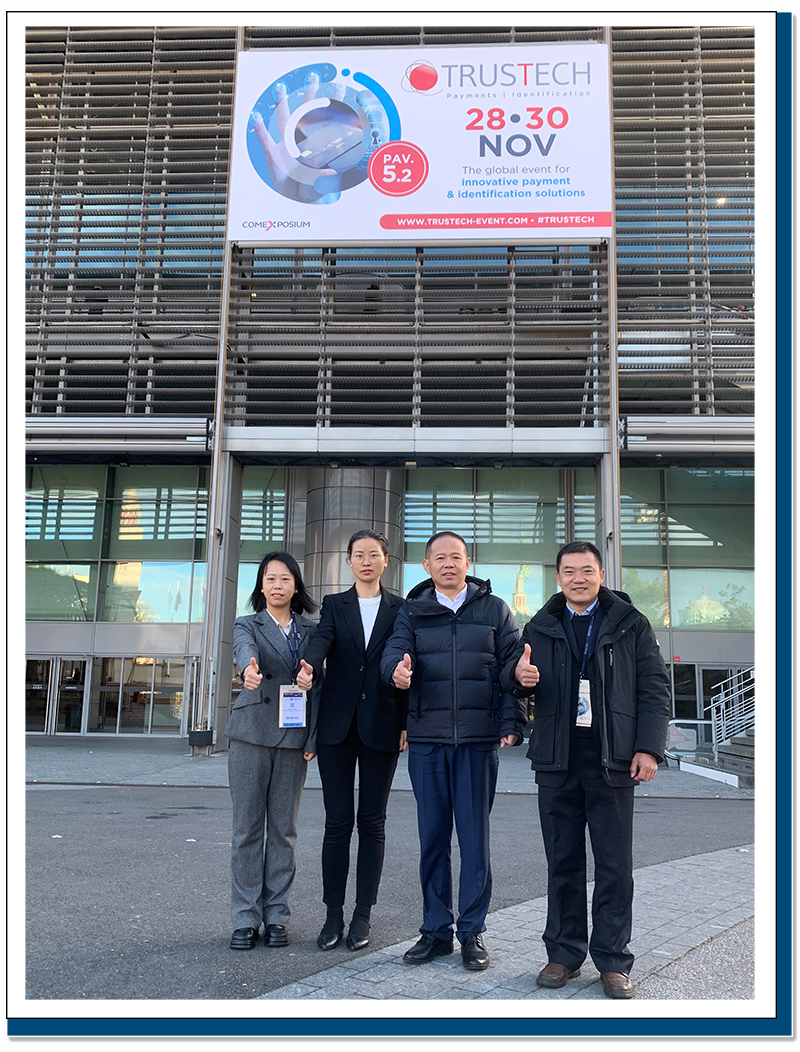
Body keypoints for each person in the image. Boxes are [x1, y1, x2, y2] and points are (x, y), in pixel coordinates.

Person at [504, 540, 670, 998]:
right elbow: (510, 677)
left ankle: (614, 961)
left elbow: (654, 689)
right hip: (558, 756)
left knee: (615, 864)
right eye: (570, 571)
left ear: (601, 573)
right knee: (563, 861)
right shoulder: (541, 624)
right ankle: (562, 954)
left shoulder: (630, 623)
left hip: (612, 757)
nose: (579, 578)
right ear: (558, 577)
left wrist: (649, 749)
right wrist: (519, 679)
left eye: (588, 570)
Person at [380, 531, 527, 971]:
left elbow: (512, 667)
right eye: (439, 558)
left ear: (468, 562)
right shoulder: (413, 610)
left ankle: (472, 932)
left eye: (456, 557)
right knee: (433, 840)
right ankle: (436, 930)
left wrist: (511, 723)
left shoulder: (495, 609)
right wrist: (396, 672)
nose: (448, 564)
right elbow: (393, 654)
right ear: (426, 566)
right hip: (427, 740)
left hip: (478, 743)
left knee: (475, 841)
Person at [296, 529, 406, 952]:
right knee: (337, 823)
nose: (366, 561)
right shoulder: (334, 605)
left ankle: (362, 915)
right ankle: (333, 915)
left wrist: (406, 721)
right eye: (358, 555)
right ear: (349, 561)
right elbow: (322, 639)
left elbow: (405, 657)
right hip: (336, 729)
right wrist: (310, 664)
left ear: (386, 560)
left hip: (382, 722)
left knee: (372, 823)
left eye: (373, 554)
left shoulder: (401, 608)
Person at [225, 552, 323, 951]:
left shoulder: (313, 631)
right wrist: (248, 669)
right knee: (247, 829)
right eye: (270, 579)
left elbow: (321, 685)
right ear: (261, 586)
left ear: (295, 585)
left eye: (285, 579)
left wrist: (313, 738)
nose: (277, 585)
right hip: (250, 733)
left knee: (283, 830)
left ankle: (277, 915)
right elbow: (244, 650)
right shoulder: (247, 624)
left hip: (293, 737)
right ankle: (245, 918)